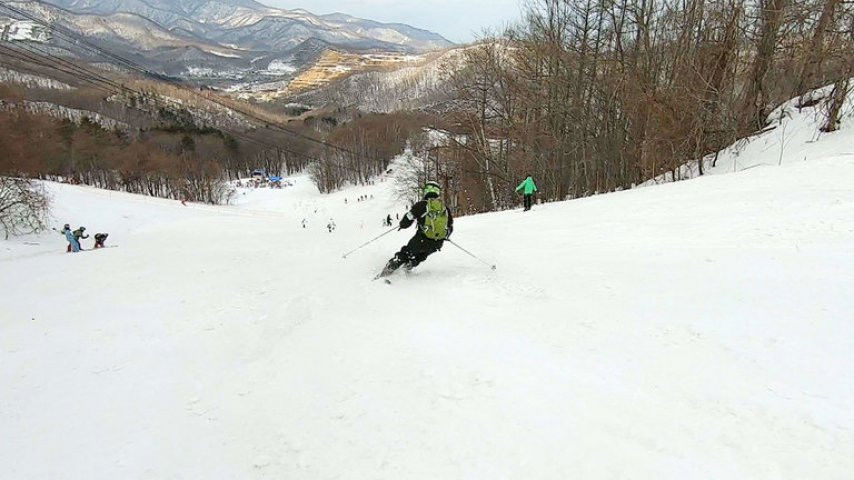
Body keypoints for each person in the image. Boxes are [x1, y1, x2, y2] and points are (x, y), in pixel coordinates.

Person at [378, 181, 453, 277]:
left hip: (422, 239)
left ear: (426, 192)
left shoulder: (420, 205)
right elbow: (450, 226)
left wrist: (402, 225)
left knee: (405, 253)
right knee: (421, 256)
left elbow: (407, 219)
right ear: (437, 193)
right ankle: (408, 266)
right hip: (437, 243)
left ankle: (386, 273)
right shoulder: (444, 209)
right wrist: (444, 235)